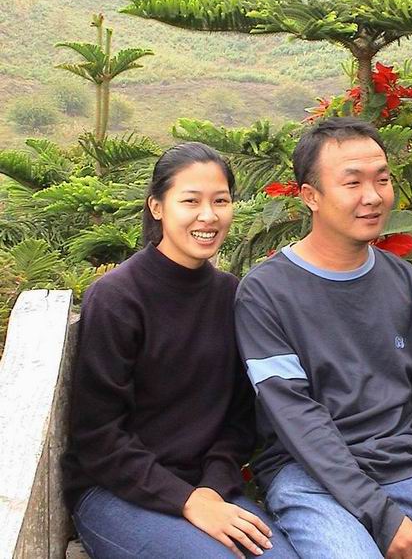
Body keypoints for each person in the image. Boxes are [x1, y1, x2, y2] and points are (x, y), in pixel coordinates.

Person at [234, 117, 412, 559]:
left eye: (382, 179)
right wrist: (381, 516)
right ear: (310, 196)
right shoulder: (266, 293)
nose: (373, 196)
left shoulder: (408, 284)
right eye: (352, 182)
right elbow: (299, 421)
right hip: (311, 480)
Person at [62, 142, 298, 559]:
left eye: (220, 201)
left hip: (209, 491)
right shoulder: (118, 298)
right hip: (116, 490)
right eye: (191, 201)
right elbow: (99, 436)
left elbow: (239, 419)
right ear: (157, 207)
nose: (209, 216)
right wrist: (186, 500)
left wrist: (210, 489)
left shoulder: (231, 295)